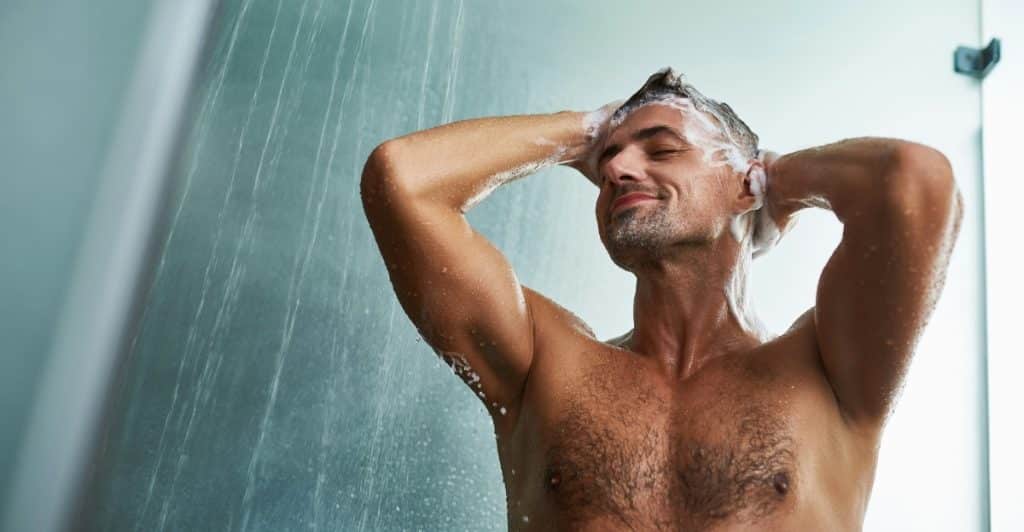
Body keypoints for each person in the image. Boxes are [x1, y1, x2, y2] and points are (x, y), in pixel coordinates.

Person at [360, 67, 963, 530]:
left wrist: (780, 182)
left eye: (662, 149)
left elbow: (913, 181)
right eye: (606, 162)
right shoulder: (544, 365)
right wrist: (582, 132)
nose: (619, 167)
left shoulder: (828, 371)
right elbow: (403, 180)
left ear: (743, 184)